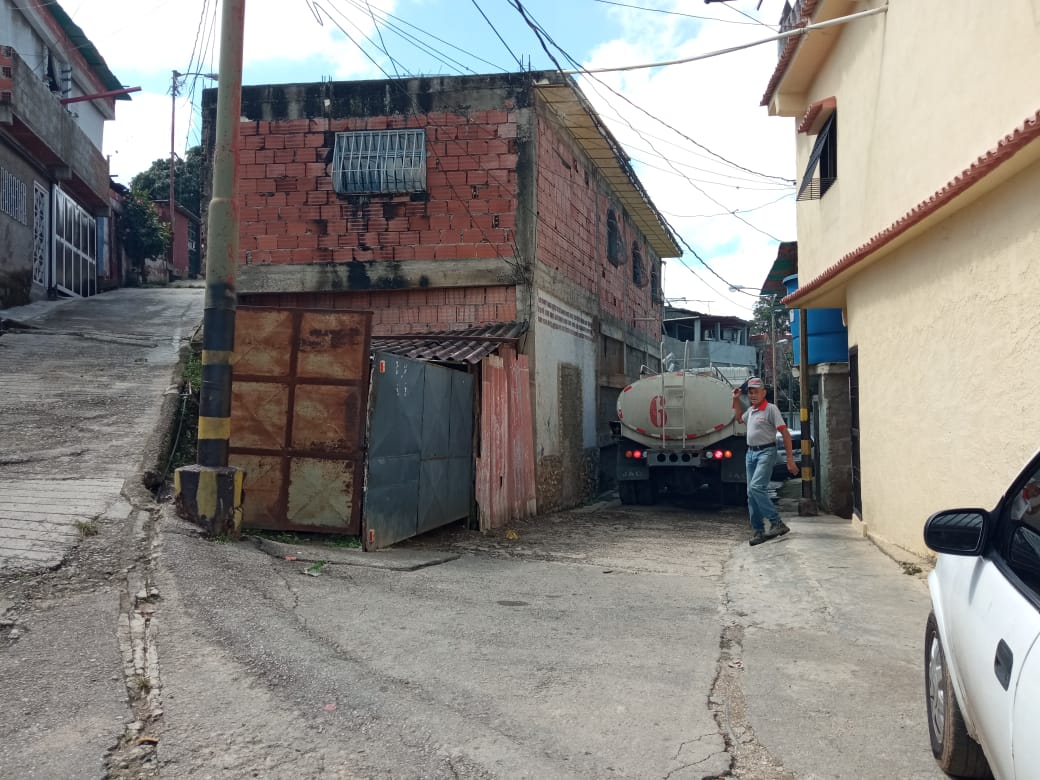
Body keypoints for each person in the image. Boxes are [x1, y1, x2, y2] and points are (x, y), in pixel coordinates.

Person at [732, 377, 798, 546]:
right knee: (751, 495)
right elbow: (739, 418)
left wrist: (790, 460)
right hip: (751, 454)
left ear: (764, 393)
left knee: (756, 488)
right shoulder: (752, 411)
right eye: (750, 392)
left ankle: (777, 522)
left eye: (756, 392)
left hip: (766, 452)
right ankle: (758, 530)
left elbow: (785, 433)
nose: (753, 395)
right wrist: (736, 399)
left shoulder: (770, 409)